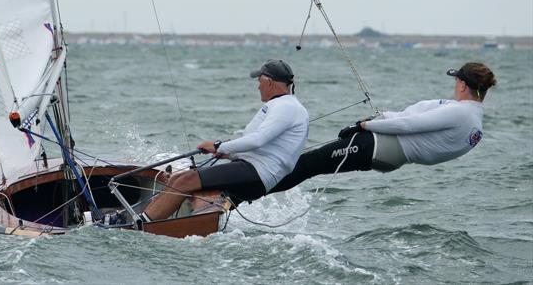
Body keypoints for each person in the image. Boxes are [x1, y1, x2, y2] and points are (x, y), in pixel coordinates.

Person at [269, 62, 496, 194]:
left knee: (308, 163)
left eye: (457, 80)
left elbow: (409, 125)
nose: (455, 84)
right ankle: (249, 192)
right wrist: (381, 118)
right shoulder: (474, 121)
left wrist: (364, 125)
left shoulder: (460, 112)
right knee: (311, 166)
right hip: (389, 156)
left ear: (464, 85)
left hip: (379, 146)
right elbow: (410, 117)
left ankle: (247, 191)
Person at [141, 59, 309, 222]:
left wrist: (218, 147)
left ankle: (140, 225)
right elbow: (265, 149)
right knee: (180, 178)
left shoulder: (287, 107)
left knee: (186, 180)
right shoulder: (282, 105)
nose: (258, 86)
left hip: (257, 174)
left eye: (259, 81)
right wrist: (229, 155)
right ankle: (150, 218)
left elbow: (258, 140)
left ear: (269, 82)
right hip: (252, 169)